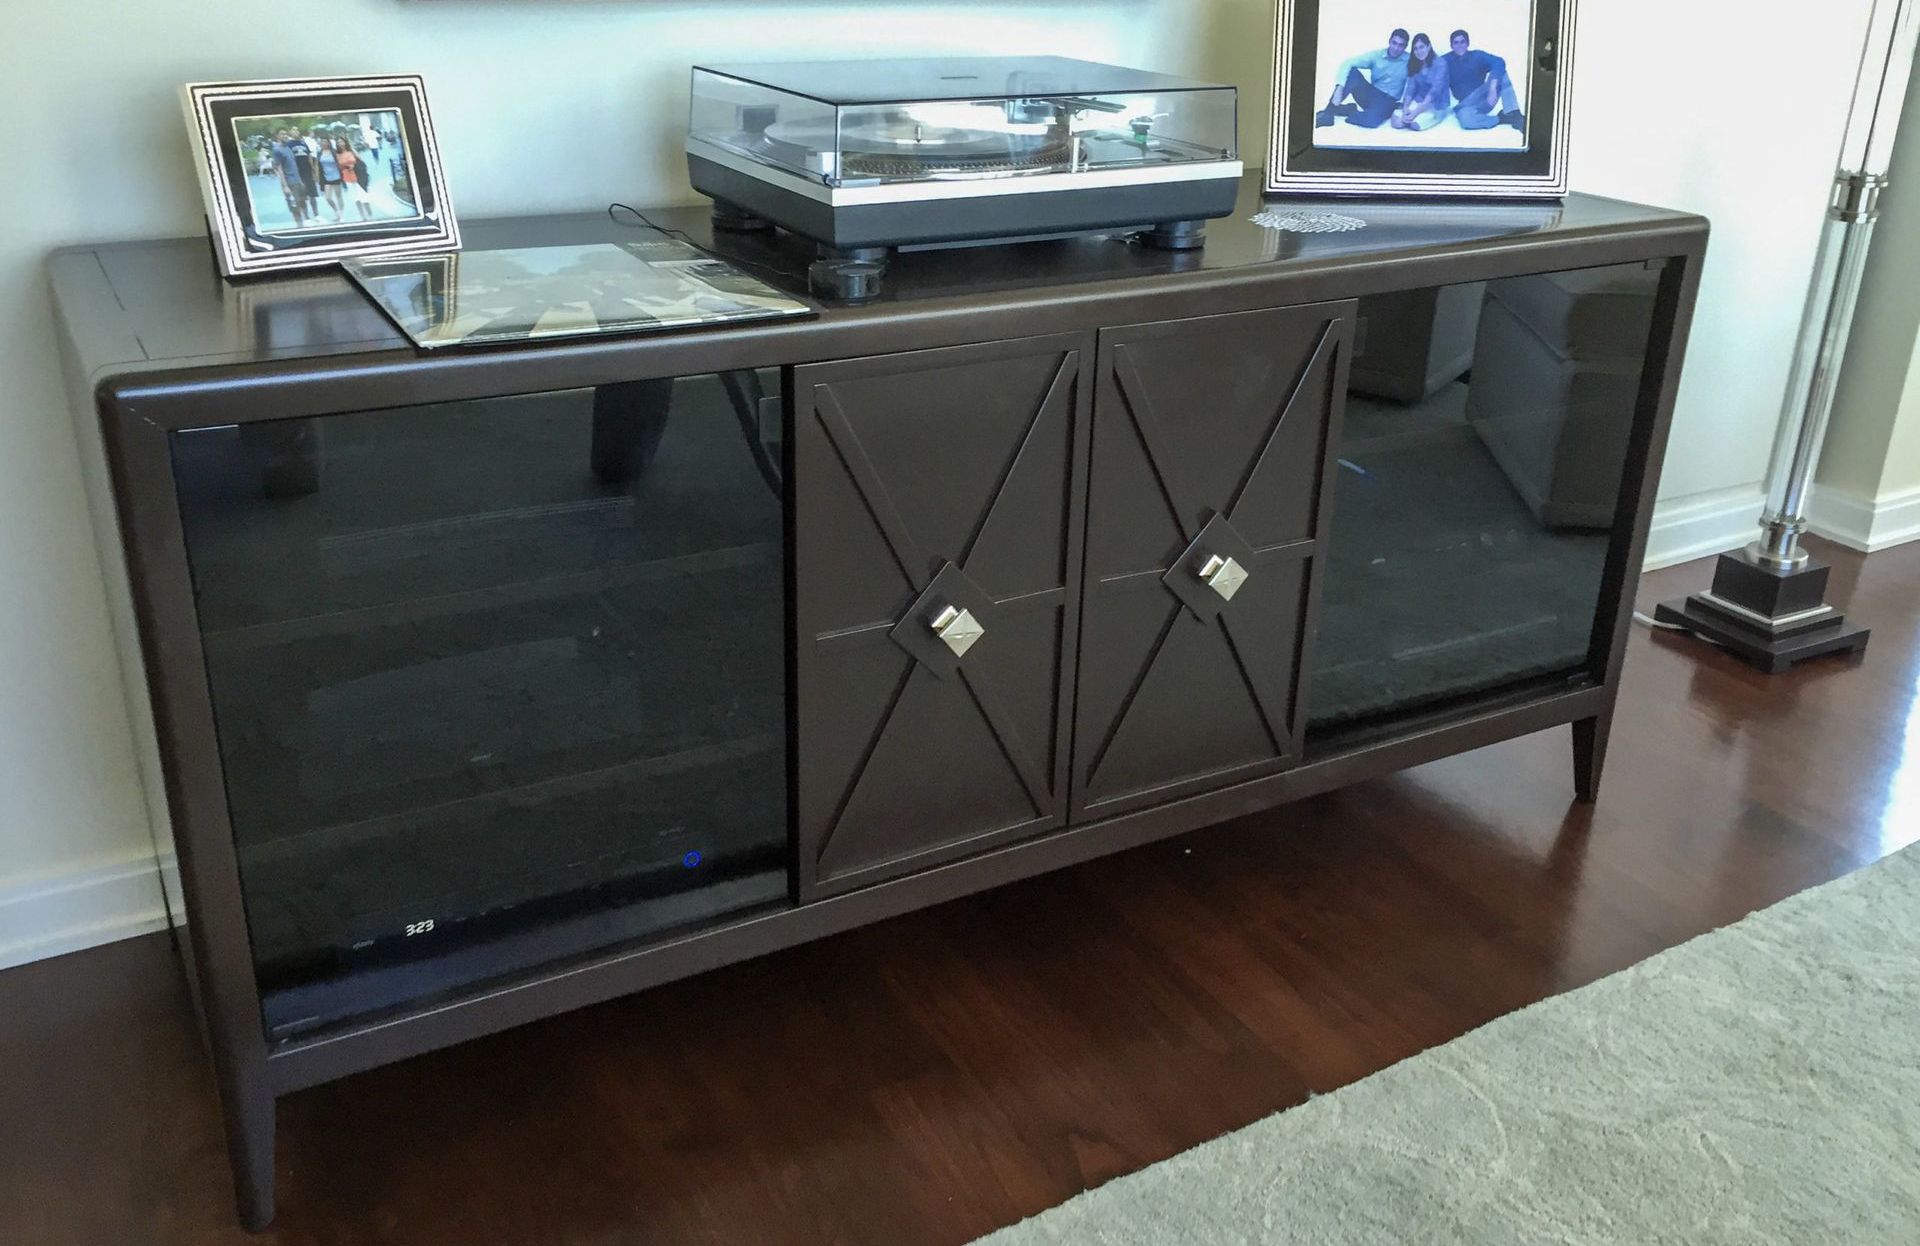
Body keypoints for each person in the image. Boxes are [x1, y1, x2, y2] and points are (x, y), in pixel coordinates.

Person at [1318, 29, 1411, 129]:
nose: (1396, 48)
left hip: (1388, 102)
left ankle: (1350, 110)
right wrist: (1339, 87)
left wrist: (1407, 105)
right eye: (1394, 43)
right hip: (1371, 94)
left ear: (1405, 47)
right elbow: (1348, 63)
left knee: (1371, 122)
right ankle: (1328, 113)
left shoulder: (1410, 60)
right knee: (1352, 72)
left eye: (1401, 45)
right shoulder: (1376, 56)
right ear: (1389, 41)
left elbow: (1420, 80)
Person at [1443, 30, 1526, 133]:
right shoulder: (1445, 60)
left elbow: (1499, 62)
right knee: (1466, 121)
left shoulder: (1477, 56)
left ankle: (1514, 113)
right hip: (1466, 104)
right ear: (1451, 46)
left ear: (1468, 43)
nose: (1459, 45)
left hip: (1485, 97)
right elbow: (1431, 69)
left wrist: (1492, 89)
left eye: (1462, 42)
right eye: (1456, 42)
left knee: (1502, 74)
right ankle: (1503, 119)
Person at [1391, 33, 1452, 131]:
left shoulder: (1441, 64)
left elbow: (1434, 92)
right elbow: (1410, 89)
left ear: (1429, 46)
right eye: (1415, 48)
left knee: (1415, 125)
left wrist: (1415, 113)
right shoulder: (1415, 63)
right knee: (1397, 123)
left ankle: (1418, 118)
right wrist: (1406, 108)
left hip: (1436, 105)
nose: (1419, 51)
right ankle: (1410, 118)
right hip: (1419, 101)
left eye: (1421, 47)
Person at [268, 129, 306, 228]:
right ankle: (300, 227)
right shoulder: (277, 150)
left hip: (297, 181)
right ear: (278, 136)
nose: (285, 136)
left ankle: (303, 224)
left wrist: (301, 181)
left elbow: (294, 165)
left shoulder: (288, 148)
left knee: (302, 203)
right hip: (289, 182)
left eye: (286, 134)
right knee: (294, 206)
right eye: (282, 134)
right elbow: (279, 169)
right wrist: (285, 186)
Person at [335, 138, 374, 221]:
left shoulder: (351, 151)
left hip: (358, 176)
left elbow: (360, 160)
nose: (340, 143)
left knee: (364, 196)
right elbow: (339, 166)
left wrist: (354, 165)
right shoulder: (338, 154)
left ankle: (370, 215)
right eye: (338, 142)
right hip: (347, 177)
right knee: (356, 198)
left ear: (345, 142)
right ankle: (362, 216)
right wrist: (345, 167)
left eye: (341, 141)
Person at [314, 130, 345, 223]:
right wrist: (317, 177)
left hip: (336, 176)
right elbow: (317, 165)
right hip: (326, 178)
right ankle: (336, 212)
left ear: (328, 143)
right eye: (322, 141)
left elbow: (340, 162)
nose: (323, 143)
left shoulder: (334, 152)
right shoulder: (319, 153)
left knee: (338, 196)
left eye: (325, 141)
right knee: (328, 198)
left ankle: (341, 215)